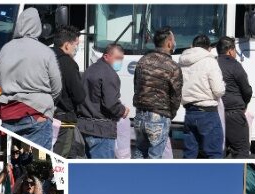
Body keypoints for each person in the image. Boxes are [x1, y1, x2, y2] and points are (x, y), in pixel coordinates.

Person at [0, 8, 62, 150]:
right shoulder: (46, 51)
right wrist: (45, 107)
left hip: (8, 114)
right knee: (37, 163)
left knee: (7, 160)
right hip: (37, 114)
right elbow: (57, 86)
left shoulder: (5, 49)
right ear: (38, 26)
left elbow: (1, 76)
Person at [133, 26, 183, 159]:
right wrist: (170, 114)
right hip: (159, 116)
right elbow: (176, 96)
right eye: (173, 40)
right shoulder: (173, 66)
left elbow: (136, 86)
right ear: (169, 43)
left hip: (139, 116)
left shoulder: (142, 61)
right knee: (154, 159)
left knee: (139, 154)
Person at [78, 44, 130, 158]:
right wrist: (122, 110)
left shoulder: (90, 69)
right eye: (117, 58)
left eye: (121, 59)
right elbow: (111, 104)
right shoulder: (109, 74)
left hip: (84, 126)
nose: (120, 62)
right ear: (106, 56)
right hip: (101, 130)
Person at [179, 34, 226, 159]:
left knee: (190, 154)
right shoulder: (210, 61)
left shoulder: (182, 62)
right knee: (214, 153)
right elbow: (218, 90)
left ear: (192, 46)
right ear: (208, 48)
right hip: (208, 112)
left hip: (189, 112)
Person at [52, 25, 87, 158]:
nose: (76, 48)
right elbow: (78, 95)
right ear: (67, 45)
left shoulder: (44, 58)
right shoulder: (68, 63)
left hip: (45, 117)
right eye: (76, 45)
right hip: (64, 119)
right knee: (60, 156)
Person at [216, 36, 253, 158]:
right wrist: (244, 104)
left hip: (215, 113)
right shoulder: (235, 65)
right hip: (234, 113)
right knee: (241, 150)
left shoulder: (212, 64)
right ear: (230, 50)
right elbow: (247, 90)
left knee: (217, 151)